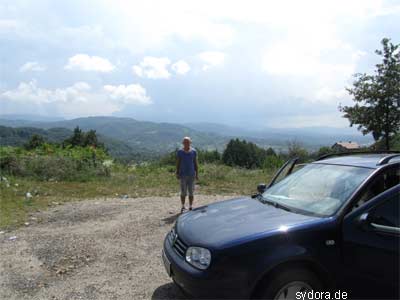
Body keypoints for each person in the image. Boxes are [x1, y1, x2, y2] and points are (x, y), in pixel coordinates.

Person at [176, 137, 198, 212]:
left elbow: (195, 163)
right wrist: (177, 172)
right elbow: (178, 163)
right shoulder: (180, 152)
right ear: (183, 143)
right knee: (183, 192)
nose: (186, 143)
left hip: (192, 174)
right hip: (183, 175)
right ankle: (183, 206)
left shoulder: (194, 151)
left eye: (188, 142)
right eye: (185, 142)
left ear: (190, 143)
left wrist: (197, 173)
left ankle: (191, 206)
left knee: (191, 192)